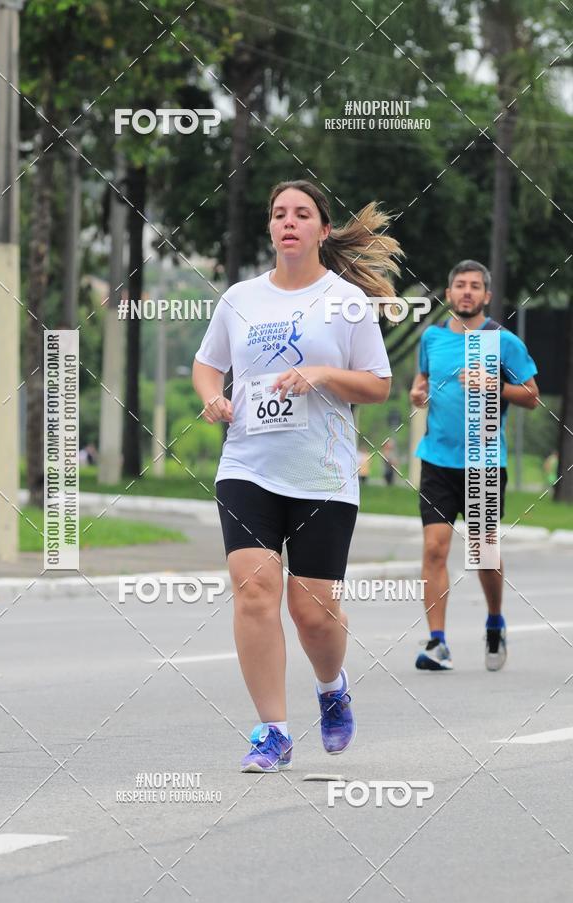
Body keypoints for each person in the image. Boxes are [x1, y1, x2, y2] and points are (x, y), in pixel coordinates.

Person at [193, 179, 401, 772]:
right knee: (254, 590)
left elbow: (379, 383)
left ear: (322, 229)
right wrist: (212, 398)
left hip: (322, 475)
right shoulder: (240, 298)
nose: (289, 222)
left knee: (312, 612)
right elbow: (208, 365)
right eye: (279, 213)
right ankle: (273, 731)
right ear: (271, 229)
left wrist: (322, 375)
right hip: (246, 467)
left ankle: (332, 687)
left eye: (302, 214)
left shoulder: (346, 302)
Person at [410, 260, 539, 673]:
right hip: (437, 459)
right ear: (448, 294)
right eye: (460, 285)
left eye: (475, 286)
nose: (467, 292)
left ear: (486, 296)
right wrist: (417, 390)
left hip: (483, 460)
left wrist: (495, 385)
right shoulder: (431, 338)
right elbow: (423, 380)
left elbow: (531, 395)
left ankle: (495, 620)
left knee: (483, 554)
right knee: (434, 548)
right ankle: (437, 643)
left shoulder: (501, 341)